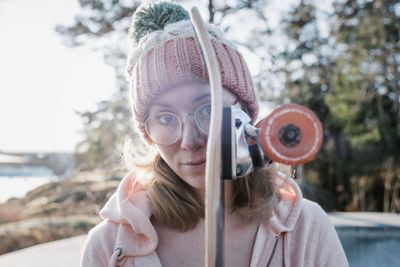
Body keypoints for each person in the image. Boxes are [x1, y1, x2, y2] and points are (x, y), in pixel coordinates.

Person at [80, 1, 349, 266]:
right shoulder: (108, 247)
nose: (189, 141)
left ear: (245, 113)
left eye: (208, 109)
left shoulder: (305, 230)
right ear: (147, 133)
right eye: (165, 117)